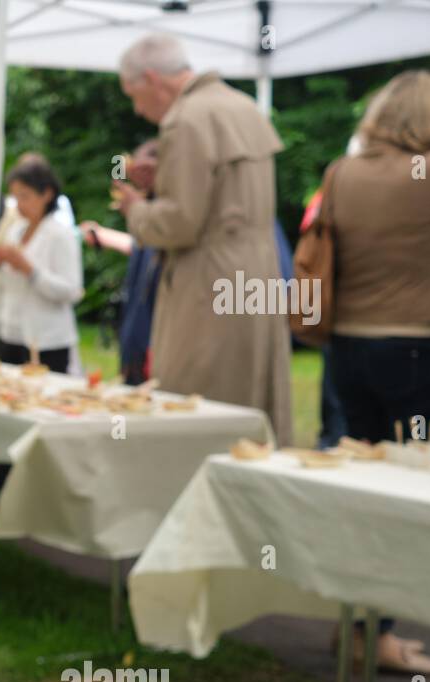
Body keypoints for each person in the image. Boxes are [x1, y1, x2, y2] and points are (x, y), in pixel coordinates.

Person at [326, 70, 430, 674]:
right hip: (414, 350)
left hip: (347, 347)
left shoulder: (343, 172)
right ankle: (380, 634)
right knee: (410, 490)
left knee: (360, 488)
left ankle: (356, 625)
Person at [113, 33, 294, 445]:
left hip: (209, 278)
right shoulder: (241, 105)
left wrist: (135, 209)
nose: (138, 109)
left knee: (200, 400)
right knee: (253, 391)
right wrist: (162, 180)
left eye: (135, 94)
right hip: (259, 269)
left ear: (154, 79)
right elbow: (224, 198)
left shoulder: (186, 118)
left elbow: (181, 223)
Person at [0, 156, 84, 373]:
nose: (19, 205)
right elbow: (6, 284)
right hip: (11, 333)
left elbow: (72, 291)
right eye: (15, 198)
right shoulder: (16, 230)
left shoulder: (60, 235)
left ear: (47, 194)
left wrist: (30, 270)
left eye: (25, 197)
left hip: (47, 340)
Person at [80, 139, 160, 385]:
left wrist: (137, 210)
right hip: (137, 343)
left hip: (154, 348)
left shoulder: (169, 220)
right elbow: (141, 246)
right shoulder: (157, 221)